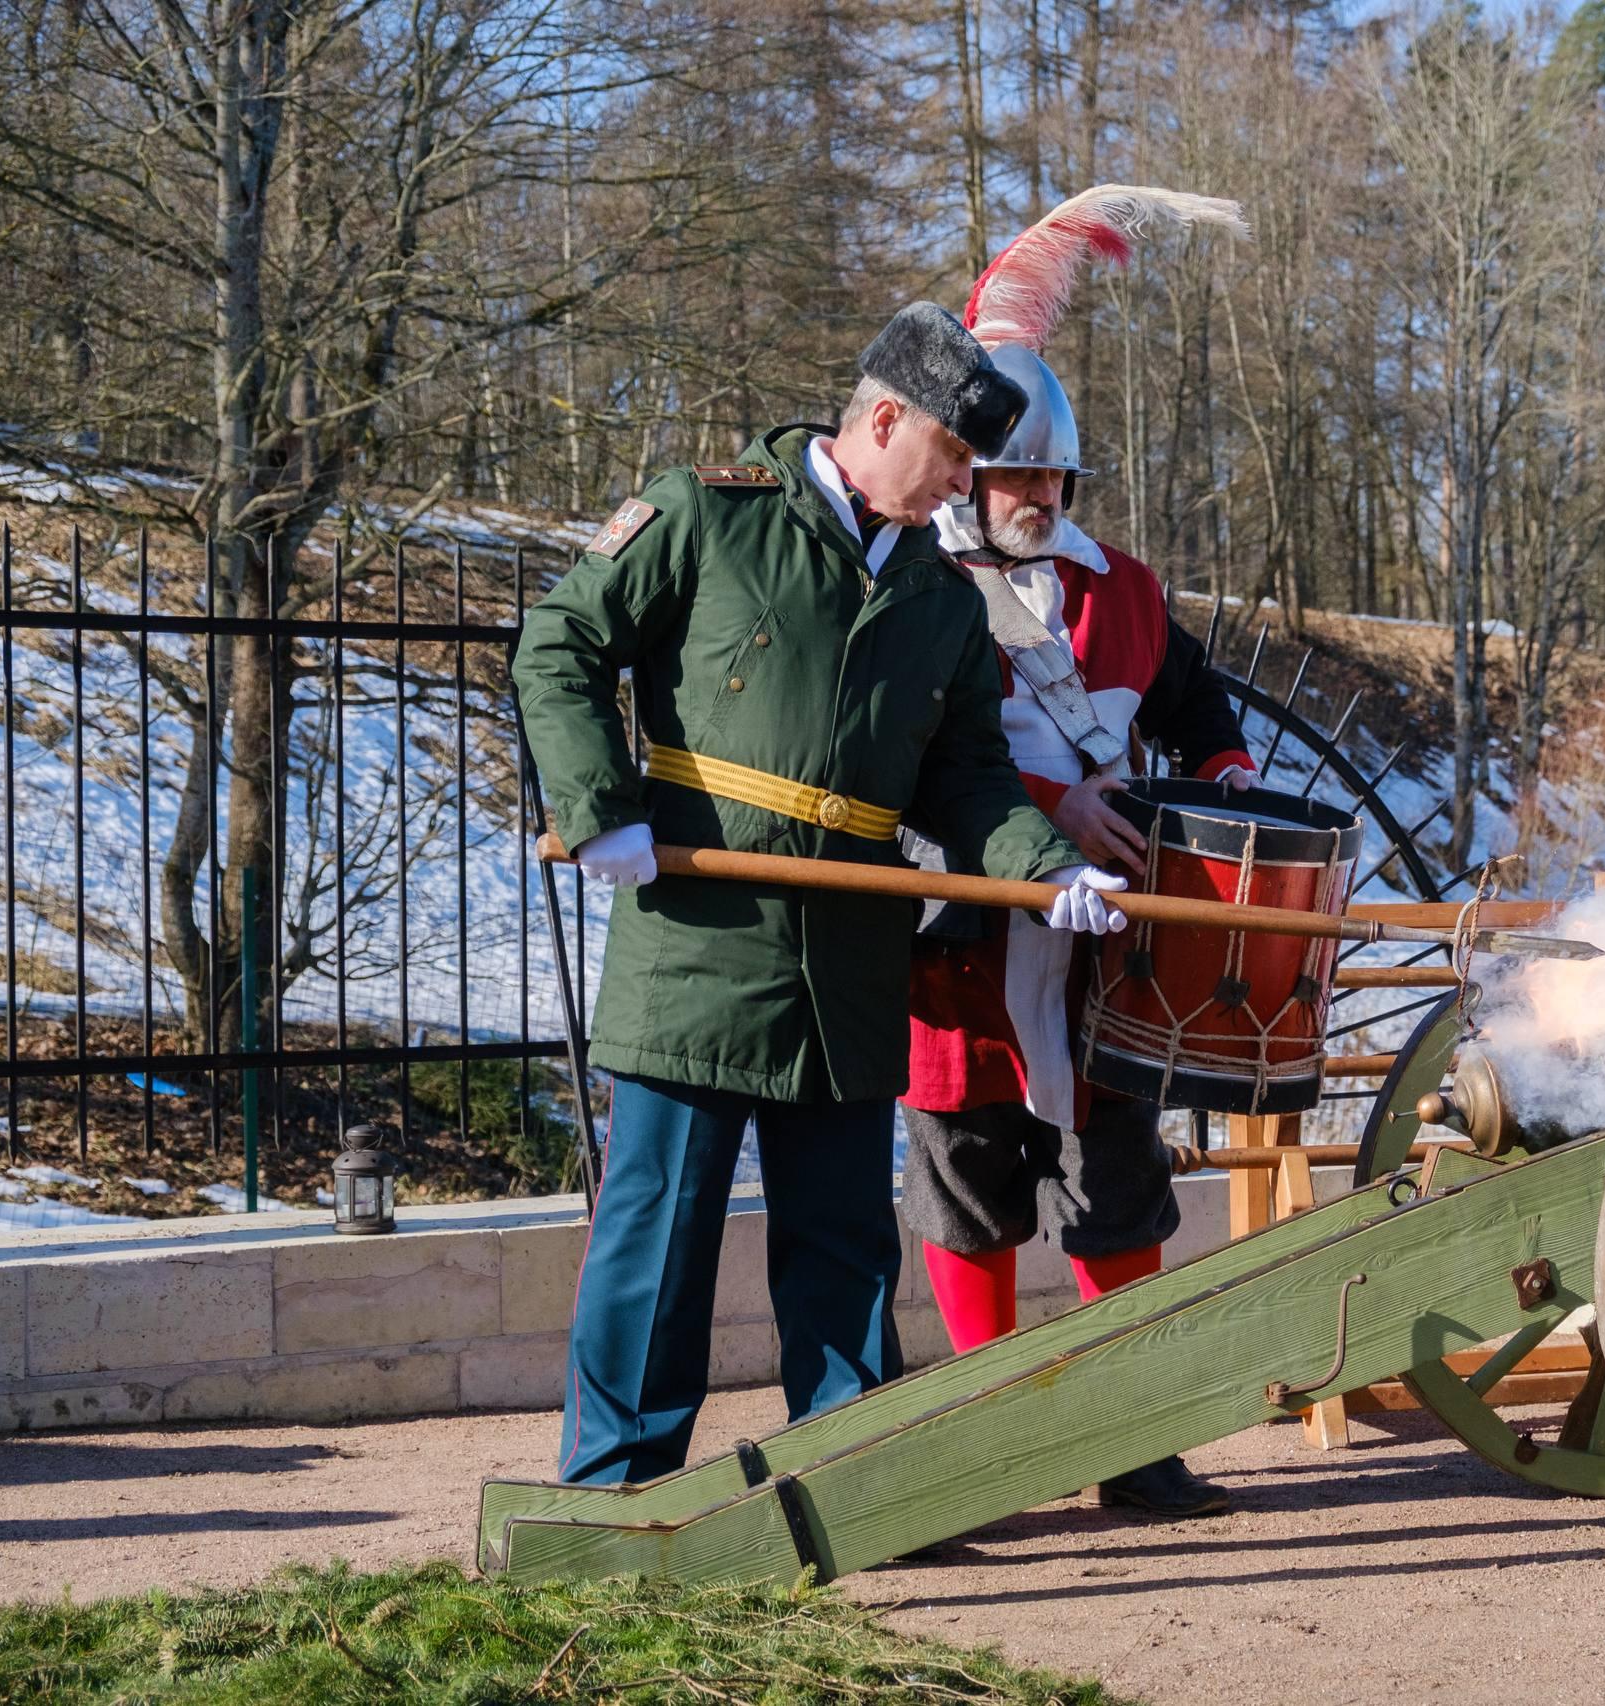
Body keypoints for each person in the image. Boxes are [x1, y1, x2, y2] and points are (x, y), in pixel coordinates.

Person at [515, 302, 1131, 1487]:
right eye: (952, 455)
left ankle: (849, 1478)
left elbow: (970, 780)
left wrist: (1046, 874)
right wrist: (600, 807)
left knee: (844, 1244)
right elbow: (560, 642)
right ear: (882, 417)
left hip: (849, 953)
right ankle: (619, 1489)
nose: (963, 484)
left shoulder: (945, 601)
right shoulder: (707, 513)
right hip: (698, 935)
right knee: (658, 1236)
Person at [902, 188, 1252, 1519]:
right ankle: (993, 1445)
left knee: (1120, 1186)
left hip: (1105, 945)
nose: (1037, 499)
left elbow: (1194, 701)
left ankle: (1130, 1435)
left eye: (1055, 479)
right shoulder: (920, 591)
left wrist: (1224, 778)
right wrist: (1043, 797)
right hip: (966, 940)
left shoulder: (1126, 589)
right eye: (1015, 478)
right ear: (973, 476)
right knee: (969, 1182)